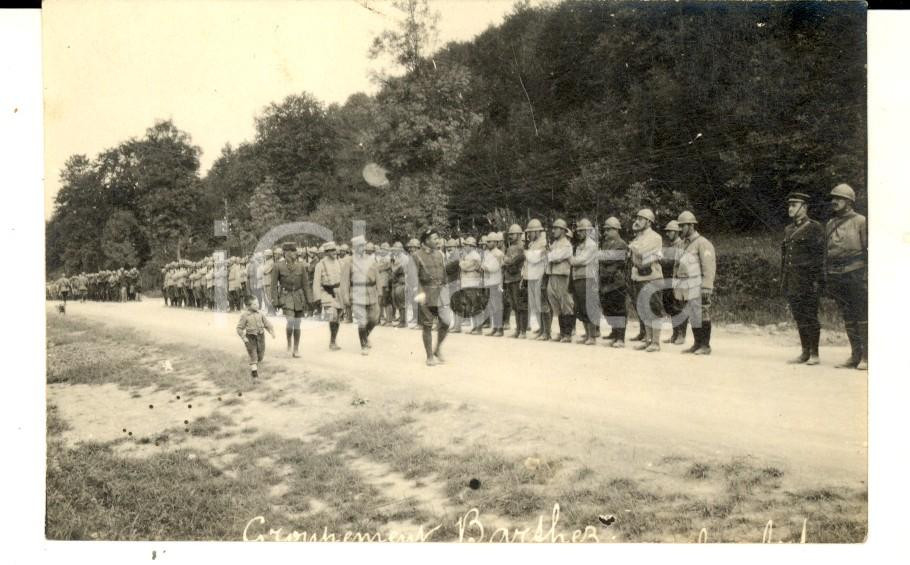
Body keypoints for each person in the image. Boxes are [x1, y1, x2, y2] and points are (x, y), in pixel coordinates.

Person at [825, 183, 868, 371]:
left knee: (861, 315)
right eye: (833, 198)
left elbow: (868, 249)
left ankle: (866, 356)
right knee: (848, 316)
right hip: (836, 274)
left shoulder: (861, 221)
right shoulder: (830, 224)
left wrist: (867, 275)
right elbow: (827, 252)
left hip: (856, 272)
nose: (834, 202)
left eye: (839, 199)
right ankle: (854, 355)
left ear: (849, 202)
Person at [780, 192, 825, 365]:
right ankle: (805, 352)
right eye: (789, 205)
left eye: (794, 205)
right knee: (799, 316)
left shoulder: (815, 228)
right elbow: (785, 259)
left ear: (804, 207)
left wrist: (817, 281)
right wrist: (784, 281)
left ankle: (815, 354)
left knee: (810, 316)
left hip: (808, 281)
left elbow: (819, 257)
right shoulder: (789, 229)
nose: (790, 208)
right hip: (793, 281)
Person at [675, 211, 716, 355]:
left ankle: (705, 345)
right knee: (693, 315)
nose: (680, 229)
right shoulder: (681, 244)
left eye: (683, 226)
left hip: (699, 285)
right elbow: (678, 265)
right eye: (679, 226)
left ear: (691, 225)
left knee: (702, 312)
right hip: (686, 286)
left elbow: (708, 266)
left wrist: (707, 286)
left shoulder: (702, 243)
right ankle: (697, 343)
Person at [412, 228, 450, 366]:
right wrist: (419, 294)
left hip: (440, 293)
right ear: (426, 240)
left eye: (438, 238)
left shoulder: (440, 254)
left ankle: (437, 348)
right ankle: (429, 356)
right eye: (434, 238)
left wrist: (447, 289)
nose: (437, 240)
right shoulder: (417, 256)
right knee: (427, 325)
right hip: (426, 293)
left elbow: (444, 274)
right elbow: (413, 278)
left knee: (446, 321)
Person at [629, 209, 664, 352]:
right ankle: (648, 340)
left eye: (641, 219)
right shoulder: (638, 237)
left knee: (654, 309)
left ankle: (656, 342)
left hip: (652, 277)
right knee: (643, 309)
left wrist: (632, 245)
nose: (637, 221)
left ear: (649, 222)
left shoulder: (655, 237)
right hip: (639, 276)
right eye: (637, 218)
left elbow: (641, 252)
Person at [271, 242, 312, 358]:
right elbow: (273, 285)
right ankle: (289, 342)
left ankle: (296, 349)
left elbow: (305, 285)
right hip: (286, 296)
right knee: (290, 320)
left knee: (297, 323)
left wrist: (310, 301)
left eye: (296, 251)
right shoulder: (278, 266)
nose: (296, 253)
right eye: (293, 251)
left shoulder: (301, 266)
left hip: (298, 297)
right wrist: (275, 300)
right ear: (287, 253)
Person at [343, 236, 381, 355]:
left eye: (363, 245)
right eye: (359, 246)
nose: (362, 248)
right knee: (362, 321)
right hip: (357, 293)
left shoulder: (371, 260)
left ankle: (366, 335)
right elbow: (345, 280)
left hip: (371, 292)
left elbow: (378, 277)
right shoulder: (349, 261)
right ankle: (364, 345)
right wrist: (345, 296)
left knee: (374, 319)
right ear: (354, 248)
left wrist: (379, 291)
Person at [598, 217, 629, 347]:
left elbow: (613, 260)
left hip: (617, 282)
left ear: (616, 230)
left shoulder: (621, 244)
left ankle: (620, 338)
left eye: (608, 230)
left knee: (619, 309)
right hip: (605, 281)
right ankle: (614, 333)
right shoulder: (605, 244)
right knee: (608, 308)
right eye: (605, 230)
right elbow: (603, 259)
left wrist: (603, 257)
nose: (605, 232)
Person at [569, 218, 599, 345]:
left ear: (587, 231)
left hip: (588, 279)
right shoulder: (580, 245)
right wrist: (574, 260)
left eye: (581, 231)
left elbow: (582, 260)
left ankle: (592, 336)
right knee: (580, 307)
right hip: (579, 278)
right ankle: (587, 334)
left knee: (589, 307)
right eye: (578, 231)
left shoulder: (591, 245)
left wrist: (571, 259)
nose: (578, 233)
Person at [545, 219, 575, 343]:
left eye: (556, 228)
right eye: (553, 228)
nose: (553, 231)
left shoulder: (566, 244)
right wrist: (549, 254)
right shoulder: (555, 243)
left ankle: (567, 334)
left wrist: (549, 254)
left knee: (565, 304)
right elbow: (549, 256)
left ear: (563, 230)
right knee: (555, 302)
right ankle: (562, 333)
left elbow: (554, 257)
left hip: (562, 276)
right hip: (553, 275)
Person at [523, 219, 551, 340]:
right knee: (535, 304)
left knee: (542, 304)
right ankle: (542, 329)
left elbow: (534, 258)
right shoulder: (532, 244)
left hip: (540, 276)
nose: (528, 235)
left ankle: (546, 332)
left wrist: (525, 253)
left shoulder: (543, 243)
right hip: (532, 276)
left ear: (536, 231)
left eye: (530, 232)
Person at [236, 294, 276, 379]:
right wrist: (244, 338)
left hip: (261, 337)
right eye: (254, 304)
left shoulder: (260, 314)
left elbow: (266, 324)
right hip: (250, 338)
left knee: (260, 355)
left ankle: (256, 363)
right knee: (253, 355)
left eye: (257, 303)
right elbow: (239, 328)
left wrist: (271, 331)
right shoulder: (244, 316)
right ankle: (254, 374)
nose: (257, 305)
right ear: (248, 306)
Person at [312, 241, 343, 351]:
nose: (335, 252)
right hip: (326, 293)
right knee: (333, 315)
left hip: (339, 293)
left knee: (338, 317)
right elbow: (316, 282)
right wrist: (317, 298)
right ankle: (332, 342)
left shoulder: (340, 263)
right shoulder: (320, 265)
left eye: (335, 250)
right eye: (332, 250)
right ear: (326, 252)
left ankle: (333, 340)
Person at [661, 220, 687, 345]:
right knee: (670, 307)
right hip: (667, 281)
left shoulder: (681, 245)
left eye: (670, 231)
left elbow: (678, 263)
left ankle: (681, 335)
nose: (668, 234)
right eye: (667, 231)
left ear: (677, 232)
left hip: (677, 280)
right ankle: (675, 334)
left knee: (679, 307)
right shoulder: (669, 246)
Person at [501, 224, 527, 338]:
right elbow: (505, 261)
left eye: (513, 234)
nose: (510, 236)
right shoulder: (510, 247)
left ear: (519, 234)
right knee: (514, 305)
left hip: (518, 279)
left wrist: (508, 261)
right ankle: (518, 329)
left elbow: (513, 261)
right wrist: (508, 261)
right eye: (510, 234)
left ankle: (523, 331)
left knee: (520, 305)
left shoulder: (522, 247)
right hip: (509, 279)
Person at [459, 236, 484, 334]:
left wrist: (462, 263)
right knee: (471, 305)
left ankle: (479, 328)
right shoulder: (468, 255)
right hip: (468, 283)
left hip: (473, 283)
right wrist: (463, 263)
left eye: (467, 245)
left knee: (475, 305)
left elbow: (465, 266)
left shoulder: (475, 256)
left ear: (471, 246)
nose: (465, 247)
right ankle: (475, 327)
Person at [482, 231, 505, 336]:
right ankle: (495, 327)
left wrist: (485, 267)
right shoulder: (488, 253)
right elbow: (484, 265)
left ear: (495, 242)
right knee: (492, 305)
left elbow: (493, 268)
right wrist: (485, 266)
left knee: (497, 305)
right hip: (489, 282)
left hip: (496, 282)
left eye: (490, 241)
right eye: (487, 242)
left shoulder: (499, 254)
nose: (488, 243)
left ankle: (500, 329)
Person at [390, 242, 409, 328]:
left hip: (402, 281)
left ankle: (403, 321)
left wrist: (394, 268)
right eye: (394, 249)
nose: (394, 251)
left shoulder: (404, 258)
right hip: (396, 281)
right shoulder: (395, 257)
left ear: (400, 249)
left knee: (402, 302)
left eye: (396, 249)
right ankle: (401, 320)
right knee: (397, 301)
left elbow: (398, 269)